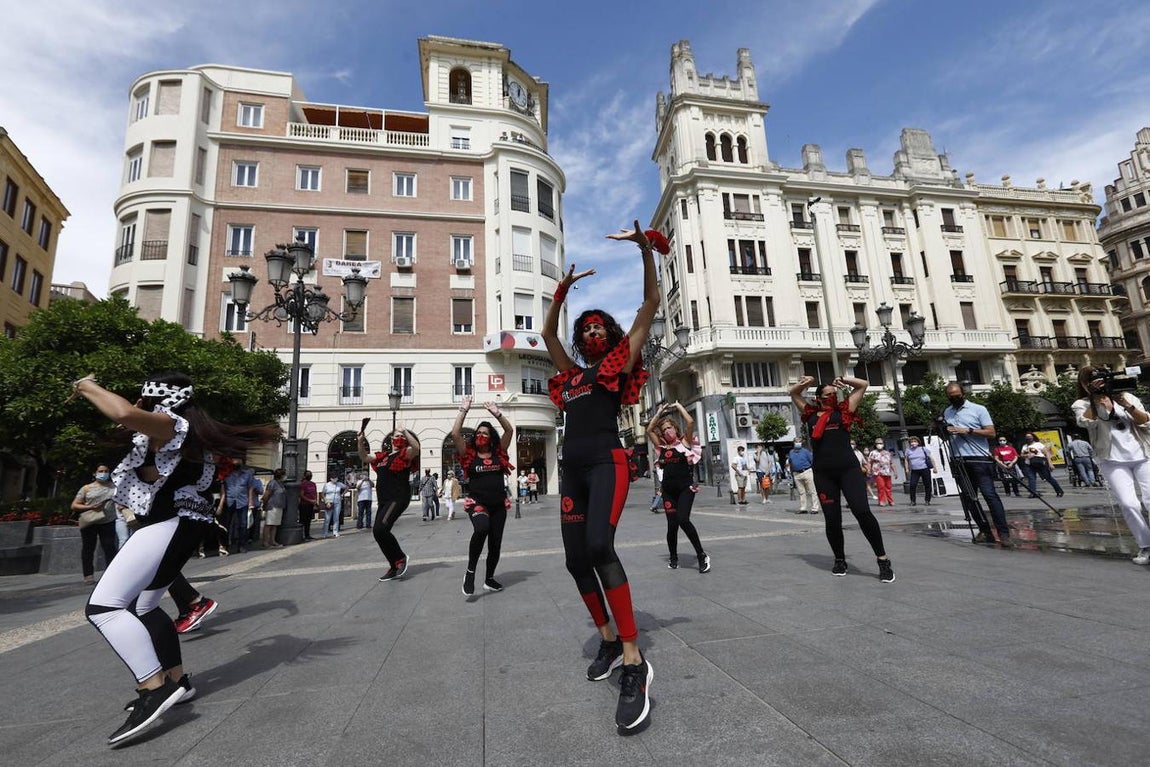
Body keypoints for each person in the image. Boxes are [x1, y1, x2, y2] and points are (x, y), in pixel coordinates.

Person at [71, 371, 279, 745]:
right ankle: (176, 680)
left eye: (143, 397)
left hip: (168, 523)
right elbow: (125, 418)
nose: (137, 403)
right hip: (178, 524)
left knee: (103, 609)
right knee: (147, 606)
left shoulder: (170, 424)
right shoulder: (169, 432)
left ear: (158, 400)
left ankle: (154, 689)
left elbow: (121, 413)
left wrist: (85, 385)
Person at [542, 219, 659, 733]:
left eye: (597, 326)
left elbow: (649, 307)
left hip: (608, 461)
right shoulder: (569, 374)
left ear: (608, 335)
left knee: (600, 548)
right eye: (584, 327)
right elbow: (547, 332)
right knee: (574, 559)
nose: (591, 331)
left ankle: (634, 661)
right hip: (571, 468)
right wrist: (562, 291)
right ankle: (608, 637)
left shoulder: (617, 363)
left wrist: (644, 252)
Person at [789, 375, 895, 583]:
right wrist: (805, 384)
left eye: (834, 394)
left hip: (849, 471)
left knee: (862, 512)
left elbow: (863, 384)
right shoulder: (809, 414)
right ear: (818, 397)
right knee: (832, 519)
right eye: (828, 394)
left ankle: (882, 560)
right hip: (823, 474)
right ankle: (839, 559)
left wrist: (845, 381)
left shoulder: (844, 410)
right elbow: (793, 393)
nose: (832, 397)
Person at [1073, 367, 1150, 565]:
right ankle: (1146, 546)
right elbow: (1085, 423)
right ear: (1084, 384)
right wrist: (1094, 398)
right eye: (1092, 380)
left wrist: (1126, 405)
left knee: (1149, 500)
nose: (1099, 383)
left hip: (1142, 454)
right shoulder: (1081, 403)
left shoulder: (1126, 396)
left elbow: (1146, 421)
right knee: (1129, 503)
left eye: (1100, 379)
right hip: (1112, 459)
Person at [452, 396, 515, 595]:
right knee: (482, 528)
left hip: (498, 504)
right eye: (478, 432)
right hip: (478, 503)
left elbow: (509, 430)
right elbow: (455, 433)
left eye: (485, 433)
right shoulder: (468, 454)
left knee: (495, 543)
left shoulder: (499, 452)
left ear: (491, 437)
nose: (481, 435)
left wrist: (497, 413)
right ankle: (470, 572)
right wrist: (463, 410)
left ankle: (489, 578)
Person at [943, 382, 1012, 546]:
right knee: (969, 498)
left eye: (957, 395)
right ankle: (985, 530)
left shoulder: (978, 409)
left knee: (989, 495)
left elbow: (991, 432)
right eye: (950, 396)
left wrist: (967, 430)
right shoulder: (947, 412)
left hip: (979, 458)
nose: (954, 399)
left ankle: (1003, 533)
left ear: (963, 394)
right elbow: (947, 437)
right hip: (958, 460)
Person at [646, 402, 710, 572]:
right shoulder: (661, 446)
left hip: (685, 489)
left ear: (675, 428)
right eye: (665, 430)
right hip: (668, 491)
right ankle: (673, 557)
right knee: (672, 525)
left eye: (670, 428)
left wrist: (678, 406)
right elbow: (649, 430)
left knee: (683, 519)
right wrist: (659, 412)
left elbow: (690, 422)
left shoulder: (684, 443)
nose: (667, 431)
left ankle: (702, 555)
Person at [359, 426, 420, 581]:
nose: (399, 438)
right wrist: (360, 442)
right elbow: (365, 457)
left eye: (402, 436)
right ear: (391, 439)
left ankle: (400, 558)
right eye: (396, 435)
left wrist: (406, 431)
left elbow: (417, 448)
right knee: (378, 532)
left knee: (381, 528)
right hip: (384, 500)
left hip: (397, 498)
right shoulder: (383, 457)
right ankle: (393, 566)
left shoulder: (404, 453)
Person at [71, 465, 119, 585]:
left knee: (109, 547)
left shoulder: (115, 487)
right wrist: (90, 507)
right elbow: (75, 505)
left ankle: (111, 573)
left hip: (108, 521)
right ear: (95, 473)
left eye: (106, 471)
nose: (103, 473)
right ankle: (88, 575)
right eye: (100, 471)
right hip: (89, 521)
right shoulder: (86, 488)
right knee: (88, 548)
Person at [221, 456, 258, 554]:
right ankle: (224, 545)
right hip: (229, 501)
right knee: (226, 524)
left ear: (242, 462)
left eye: (238, 460)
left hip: (243, 501)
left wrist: (250, 501)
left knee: (243, 524)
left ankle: (241, 545)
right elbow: (223, 487)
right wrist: (222, 501)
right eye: (234, 459)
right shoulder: (227, 474)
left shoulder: (247, 474)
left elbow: (250, 487)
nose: (236, 461)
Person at [1018, 432, 1064, 498]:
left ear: (1033, 437)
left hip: (1040, 463)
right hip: (1029, 464)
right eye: (1027, 437)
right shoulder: (1025, 446)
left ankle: (1059, 491)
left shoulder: (1038, 444)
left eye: (1030, 436)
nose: (1028, 438)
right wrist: (1026, 455)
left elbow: (1046, 453)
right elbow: (1022, 455)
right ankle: (1033, 492)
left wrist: (1050, 464)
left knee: (1048, 477)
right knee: (1031, 478)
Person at [787, 439, 816, 514]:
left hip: (806, 471)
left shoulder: (805, 451)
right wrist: (792, 473)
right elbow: (790, 462)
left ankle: (814, 508)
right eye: (796, 442)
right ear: (793, 443)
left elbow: (812, 461)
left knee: (811, 491)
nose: (798, 443)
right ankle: (803, 508)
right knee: (801, 492)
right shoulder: (791, 452)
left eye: (799, 441)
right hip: (796, 474)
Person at [867, 438, 899, 507]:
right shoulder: (873, 453)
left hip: (887, 472)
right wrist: (869, 470)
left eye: (881, 443)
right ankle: (882, 501)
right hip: (878, 472)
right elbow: (869, 462)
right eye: (877, 443)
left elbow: (891, 463)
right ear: (875, 445)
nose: (879, 445)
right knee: (881, 487)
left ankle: (890, 501)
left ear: (883, 444)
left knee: (888, 487)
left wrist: (895, 472)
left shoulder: (887, 453)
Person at [903, 437, 933, 507]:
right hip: (915, 470)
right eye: (912, 442)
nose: (913, 443)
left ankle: (927, 500)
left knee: (927, 485)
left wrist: (935, 468)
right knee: (912, 485)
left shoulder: (923, 449)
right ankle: (913, 501)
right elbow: (906, 460)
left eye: (915, 441)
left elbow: (931, 458)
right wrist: (907, 468)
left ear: (918, 442)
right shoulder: (908, 450)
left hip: (924, 469)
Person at [260, 468, 286, 547]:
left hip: (279, 506)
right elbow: (266, 495)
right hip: (272, 506)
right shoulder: (272, 483)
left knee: (275, 524)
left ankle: (272, 540)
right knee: (269, 524)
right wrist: (264, 505)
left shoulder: (280, 484)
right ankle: (265, 542)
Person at [299, 470, 318, 541]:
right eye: (308, 474)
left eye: (310, 474)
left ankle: (307, 535)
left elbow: (315, 493)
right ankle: (301, 535)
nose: (310, 476)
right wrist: (309, 500)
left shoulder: (313, 484)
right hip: (304, 504)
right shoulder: (303, 484)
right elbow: (301, 494)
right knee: (303, 520)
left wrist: (315, 501)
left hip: (311, 504)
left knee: (308, 520)